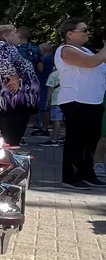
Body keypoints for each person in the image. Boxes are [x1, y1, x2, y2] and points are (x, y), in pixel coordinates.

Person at [54, 18, 106, 189]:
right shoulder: (65, 50)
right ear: (70, 34)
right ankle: (71, 177)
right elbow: (91, 63)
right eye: (83, 30)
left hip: (93, 101)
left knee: (91, 140)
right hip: (76, 101)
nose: (87, 32)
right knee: (76, 141)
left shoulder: (86, 50)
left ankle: (87, 174)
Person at [0, 24, 40, 151]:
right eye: (14, 33)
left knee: (6, 138)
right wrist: (14, 77)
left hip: (2, 100)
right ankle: (13, 166)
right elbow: (3, 63)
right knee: (12, 140)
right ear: (5, 36)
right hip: (14, 100)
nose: (18, 35)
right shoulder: (5, 47)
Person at [31, 43, 55, 136]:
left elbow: (39, 70)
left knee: (43, 107)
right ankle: (40, 125)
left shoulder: (45, 60)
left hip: (44, 85)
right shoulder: (51, 58)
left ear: (43, 51)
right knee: (42, 107)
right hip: (44, 84)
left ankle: (43, 127)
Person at [40, 68, 64, 147]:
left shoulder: (53, 74)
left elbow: (50, 88)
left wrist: (47, 100)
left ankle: (54, 140)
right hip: (69, 99)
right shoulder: (70, 73)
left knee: (56, 120)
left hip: (56, 99)